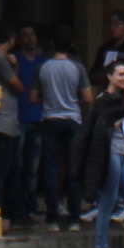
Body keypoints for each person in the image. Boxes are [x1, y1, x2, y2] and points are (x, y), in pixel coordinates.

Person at [84, 59, 124, 248]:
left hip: (121, 154)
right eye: (121, 74)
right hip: (110, 155)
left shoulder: (119, 101)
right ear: (109, 76)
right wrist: (115, 123)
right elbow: (100, 131)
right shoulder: (104, 101)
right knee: (108, 202)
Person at [34, 31, 88, 228]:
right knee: (74, 168)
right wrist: (73, 100)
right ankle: (74, 217)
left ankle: (53, 217)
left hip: (50, 119)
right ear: (71, 45)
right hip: (72, 120)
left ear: (52, 43)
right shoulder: (77, 67)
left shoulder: (43, 67)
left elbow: (33, 97)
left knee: (50, 168)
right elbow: (88, 97)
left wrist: (48, 98)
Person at [0, 28, 28, 229]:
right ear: (11, 39)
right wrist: (15, 65)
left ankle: (14, 212)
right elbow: (18, 87)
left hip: (8, 123)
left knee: (12, 171)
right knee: (1, 171)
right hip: (0, 123)